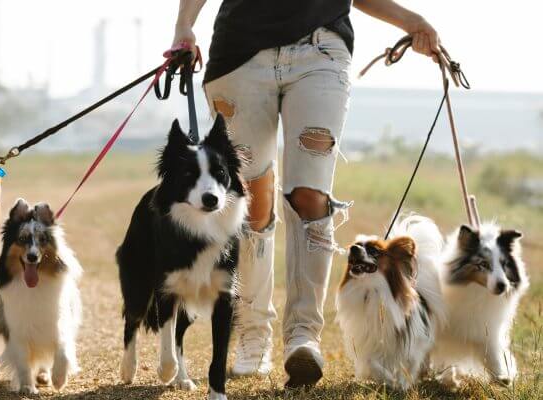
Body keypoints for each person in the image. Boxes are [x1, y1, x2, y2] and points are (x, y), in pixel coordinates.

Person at [172, 0, 441, 387]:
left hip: (322, 53)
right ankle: (252, 332)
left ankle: (303, 335)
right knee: (251, 202)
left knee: (311, 196)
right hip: (240, 56)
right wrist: (185, 25)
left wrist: (412, 21)